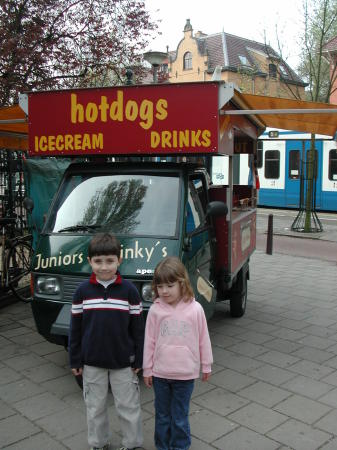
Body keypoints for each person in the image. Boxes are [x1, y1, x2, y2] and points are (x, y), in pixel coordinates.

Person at [69, 233, 144, 450]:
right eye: (98, 261)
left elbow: (138, 329)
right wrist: (75, 360)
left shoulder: (129, 291)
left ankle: (133, 444)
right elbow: (75, 329)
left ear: (119, 260)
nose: (104, 267)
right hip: (92, 362)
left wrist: (139, 358)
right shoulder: (82, 292)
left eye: (110, 261)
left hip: (123, 362)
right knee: (95, 408)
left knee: (128, 406)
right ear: (89, 261)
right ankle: (98, 444)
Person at [143, 256, 213, 450]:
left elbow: (203, 339)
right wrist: (147, 369)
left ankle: (180, 447)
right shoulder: (155, 311)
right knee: (163, 416)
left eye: (170, 285)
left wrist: (206, 364)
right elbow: (149, 342)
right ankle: (163, 446)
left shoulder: (195, 310)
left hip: (185, 376)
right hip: (160, 375)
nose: (164, 291)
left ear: (182, 283)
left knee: (180, 417)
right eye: (160, 286)